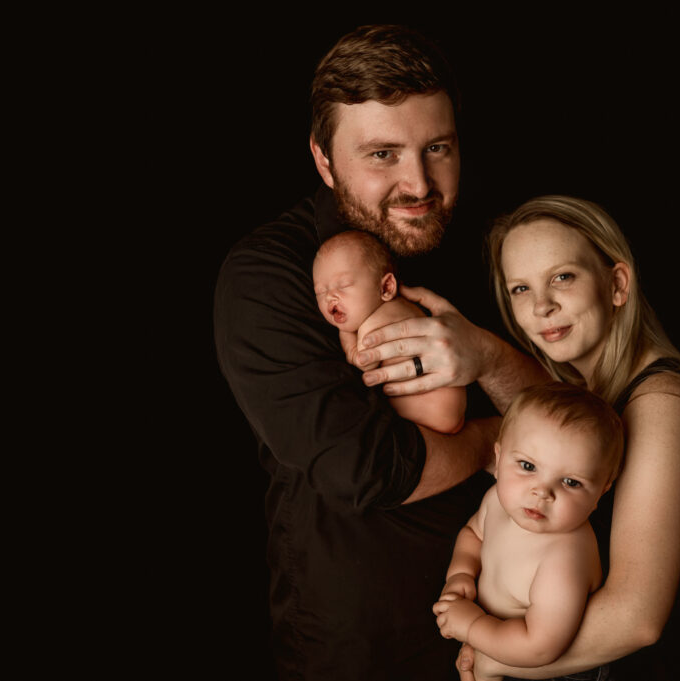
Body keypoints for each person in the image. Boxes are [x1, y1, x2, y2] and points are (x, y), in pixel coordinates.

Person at [213, 24, 546, 681]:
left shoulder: (502, 247)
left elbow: (582, 428)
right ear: (324, 160)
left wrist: (487, 357)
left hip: (525, 644)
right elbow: (365, 471)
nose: (419, 183)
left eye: (438, 148)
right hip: (364, 657)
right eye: (383, 155)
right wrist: (495, 438)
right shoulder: (269, 277)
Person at [420, 195, 680, 680]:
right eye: (520, 288)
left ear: (617, 284)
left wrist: (494, 655)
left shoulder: (663, 404)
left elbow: (636, 620)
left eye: (563, 276)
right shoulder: (585, 397)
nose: (542, 305)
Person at [432, 381, 624, 681]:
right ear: (499, 457)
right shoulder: (497, 499)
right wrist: (460, 574)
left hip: (549, 668)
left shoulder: (564, 557)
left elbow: (539, 647)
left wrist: (472, 627)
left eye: (571, 482)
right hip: (494, 637)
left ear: (602, 491)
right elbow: (473, 534)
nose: (542, 492)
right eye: (527, 465)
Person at [312, 229, 466, 433]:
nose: (330, 296)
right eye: (321, 292)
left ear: (386, 288)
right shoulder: (403, 308)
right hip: (449, 408)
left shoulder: (375, 325)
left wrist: (346, 337)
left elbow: (363, 363)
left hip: (432, 414)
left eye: (343, 285)